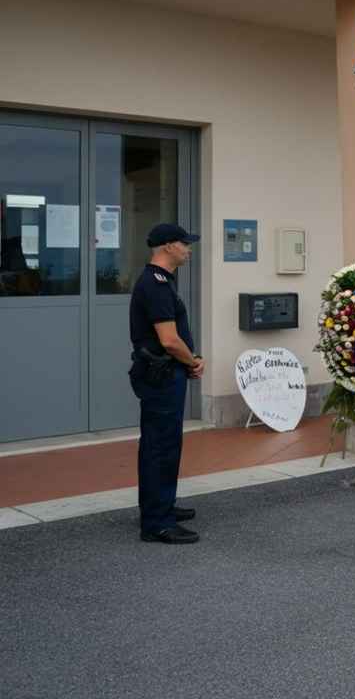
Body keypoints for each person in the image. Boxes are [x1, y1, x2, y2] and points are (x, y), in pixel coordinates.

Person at [129, 223, 205, 544]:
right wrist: (193, 361)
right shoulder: (156, 284)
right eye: (184, 243)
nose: (189, 249)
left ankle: (161, 505)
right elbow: (170, 341)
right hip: (162, 374)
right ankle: (157, 522)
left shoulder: (160, 282)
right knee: (160, 446)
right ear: (167, 247)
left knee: (163, 443)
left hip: (164, 373)